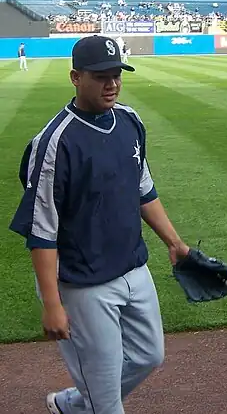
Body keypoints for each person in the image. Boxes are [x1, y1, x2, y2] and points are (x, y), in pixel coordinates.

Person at [9, 35, 189, 414]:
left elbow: (145, 191)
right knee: (106, 401)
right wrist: (53, 303)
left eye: (116, 75)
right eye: (101, 75)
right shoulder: (56, 142)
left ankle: (74, 403)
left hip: (133, 268)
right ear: (76, 77)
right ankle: (93, 400)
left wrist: (174, 242)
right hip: (83, 284)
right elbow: (42, 230)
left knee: (148, 356)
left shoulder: (129, 121)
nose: (112, 84)